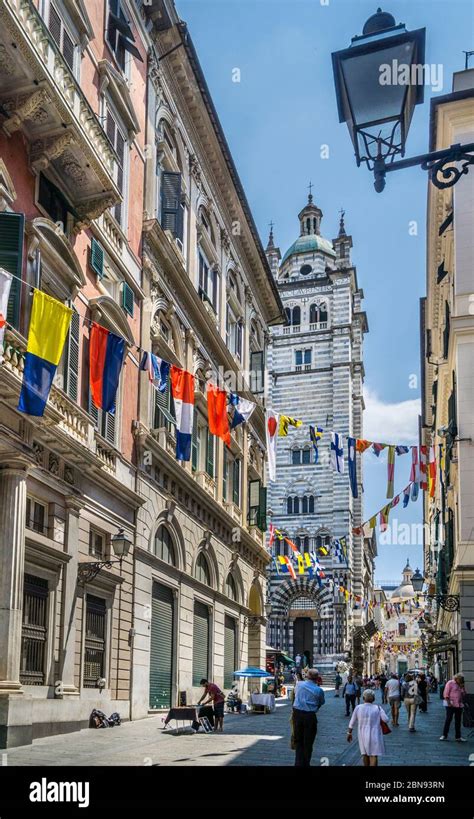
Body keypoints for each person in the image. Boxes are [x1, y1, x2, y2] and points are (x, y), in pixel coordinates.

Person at [347, 689, 389, 767]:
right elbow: (386, 719)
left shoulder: (358, 707)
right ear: (373, 698)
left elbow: (352, 722)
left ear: (363, 698)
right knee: (374, 755)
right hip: (375, 734)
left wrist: (349, 733)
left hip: (362, 734)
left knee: (365, 754)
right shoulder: (378, 708)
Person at [292, 668, 325, 767]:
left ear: (307, 676)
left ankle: (298, 763)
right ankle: (306, 763)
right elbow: (321, 703)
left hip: (297, 715)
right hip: (310, 716)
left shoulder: (299, 685)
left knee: (298, 741)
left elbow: (294, 695)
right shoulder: (318, 690)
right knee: (308, 742)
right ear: (317, 678)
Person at [440, 674, 467, 742]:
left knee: (458, 721)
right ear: (457, 679)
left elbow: (464, 694)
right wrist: (448, 702)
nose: (461, 682)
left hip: (459, 705)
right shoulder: (450, 683)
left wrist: (462, 688)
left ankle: (458, 737)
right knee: (448, 719)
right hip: (451, 705)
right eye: (460, 681)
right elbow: (446, 693)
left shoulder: (460, 685)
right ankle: (444, 735)